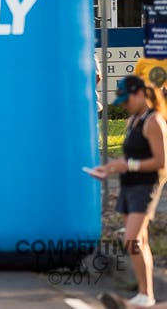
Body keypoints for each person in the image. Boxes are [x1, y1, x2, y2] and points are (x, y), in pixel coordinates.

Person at [90, 77, 167, 308]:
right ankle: (145, 294)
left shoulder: (154, 121)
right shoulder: (133, 120)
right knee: (137, 240)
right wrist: (110, 168)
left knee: (132, 239)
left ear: (141, 94)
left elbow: (161, 161)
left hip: (146, 186)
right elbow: (128, 157)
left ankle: (146, 294)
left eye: (127, 100)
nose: (123, 105)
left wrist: (128, 166)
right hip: (128, 185)